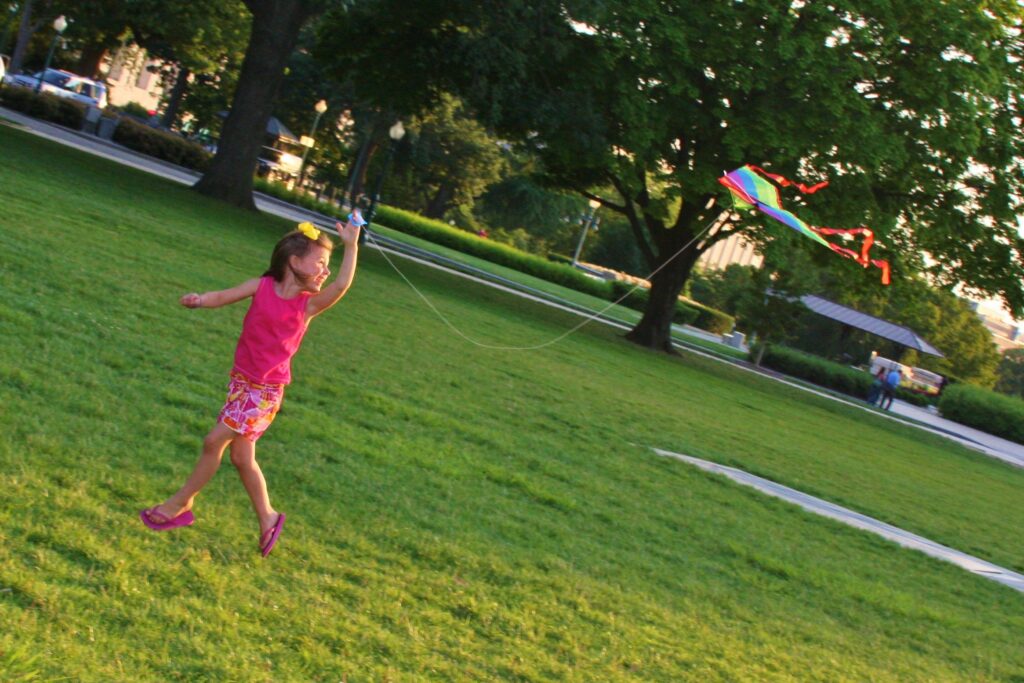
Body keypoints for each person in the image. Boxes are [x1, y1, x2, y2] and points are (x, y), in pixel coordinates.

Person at [140, 216, 363, 557]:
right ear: (294, 262)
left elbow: (342, 286)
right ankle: (268, 519)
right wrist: (201, 300)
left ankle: (179, 504)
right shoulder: (261, 286)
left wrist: (352, 245)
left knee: (213, 440)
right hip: (241, 384)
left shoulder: (307, 306)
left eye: (327, 265)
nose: (325, 271)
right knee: (242, 457)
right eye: (320, 263)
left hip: (265, 392)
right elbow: (223, 295)